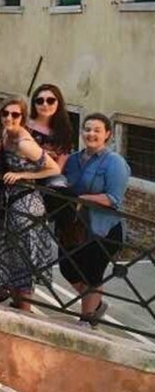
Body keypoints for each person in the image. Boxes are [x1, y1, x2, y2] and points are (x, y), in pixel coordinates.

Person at [0, 98, 60, 311]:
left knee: (23, 257)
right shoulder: (5, 134)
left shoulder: (25, 143)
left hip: (27, 203)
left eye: (15, 115)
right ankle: (17, 304)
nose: (9, 118)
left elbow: (54, 169)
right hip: (9, 202)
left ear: (23, 117)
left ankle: (24, 313)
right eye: (5, 113)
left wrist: (22, 175)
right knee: (10, 253)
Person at [60, 113, 130, 327]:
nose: (91, 134)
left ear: (107, 134)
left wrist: (83, 198)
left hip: (104, 228)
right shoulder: (72, 160)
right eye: (87, 129)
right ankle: (96, 305)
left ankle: (86, 320)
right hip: (75, 227)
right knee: (67, 268)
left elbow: (114, 198)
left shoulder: (114, 162)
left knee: (92, 273)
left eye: (97, 130)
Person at [27, 83, 74, 173]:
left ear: (58, 103)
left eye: (50, 101)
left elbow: (59, 168)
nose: (45, 104)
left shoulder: (64, 132)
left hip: (47, 178)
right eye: (40, 101)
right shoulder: (23, 125)